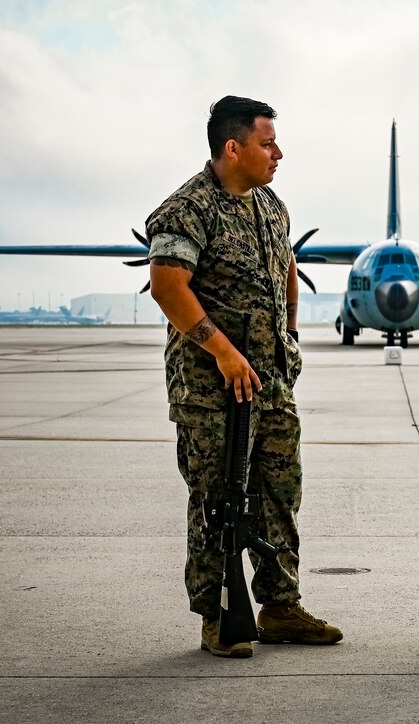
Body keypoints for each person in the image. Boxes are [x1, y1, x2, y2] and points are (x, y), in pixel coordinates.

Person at [147, 95, 342, 659]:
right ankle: (217, 618)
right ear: (233, 147)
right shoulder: (186, 208)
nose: (278, 152)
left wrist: (290, 340)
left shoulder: (271, 207)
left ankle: (282, 606)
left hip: (271, 382)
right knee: (216, 500)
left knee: (280, 491)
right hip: (213, 391)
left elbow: (287, 270)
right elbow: (168, 286)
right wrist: (224, 352)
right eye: (266, 142)